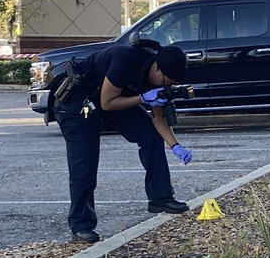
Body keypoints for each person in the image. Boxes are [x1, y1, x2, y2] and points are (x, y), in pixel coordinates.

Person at [56, 41, 194, 244]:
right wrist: (142, 98)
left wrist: (175, 145)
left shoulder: (158, 79)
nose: (166, 86)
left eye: (171, 85)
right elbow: (107, 103)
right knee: (84, 161)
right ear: (156, 67)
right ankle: (81, 225)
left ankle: (161, 197)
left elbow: (158, 119)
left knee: (150, 136)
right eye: (166, 82)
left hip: (111, 98)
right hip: (79, 99)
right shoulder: (126, 60)